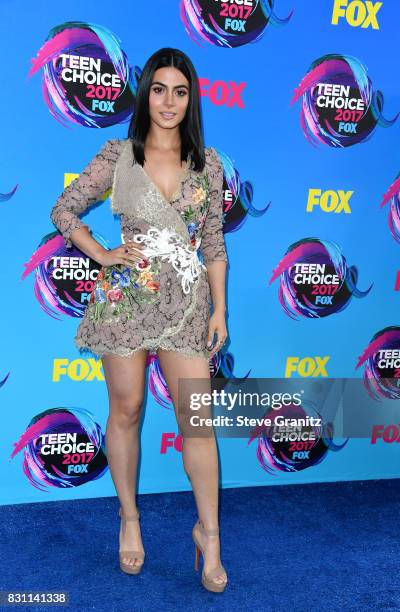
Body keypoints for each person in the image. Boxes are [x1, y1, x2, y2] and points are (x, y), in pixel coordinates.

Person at [50, 47, 229, 593]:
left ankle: (210, 534)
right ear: (145, 93)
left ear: (191, 98)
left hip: (187, 306)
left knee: (197, 421)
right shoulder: (118, 155)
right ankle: (129, 518)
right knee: (125, 410)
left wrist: (220, 308)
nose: (169, 101)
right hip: (126, 300)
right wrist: (102, 255)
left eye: (179, 91)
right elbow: (64, 211)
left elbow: (215, 244)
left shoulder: (209, 163)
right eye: (159, 89)